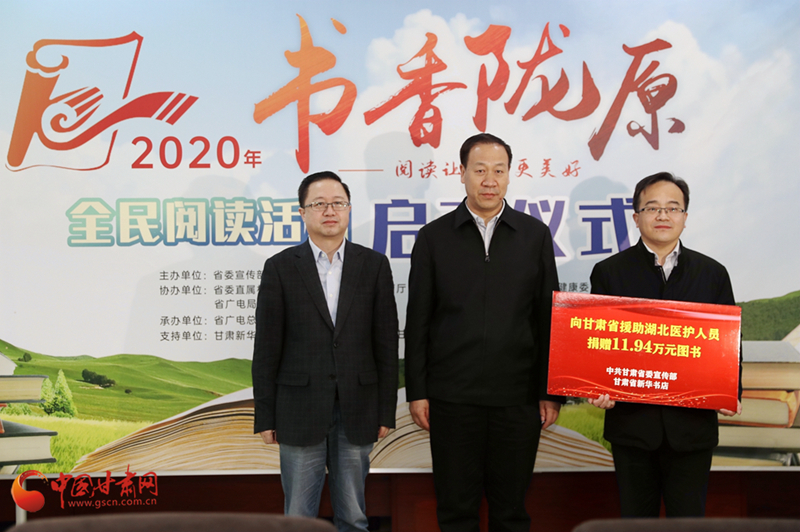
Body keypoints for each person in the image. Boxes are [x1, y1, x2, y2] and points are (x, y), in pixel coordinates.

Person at [405, 133, 563, 532]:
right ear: (461, 174)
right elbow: (419, 320)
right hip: (452, 398)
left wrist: (550, 391)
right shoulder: (434, 237)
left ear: (509, 175)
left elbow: (548, 318)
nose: (489, 180)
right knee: (456, 510)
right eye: (479, 170)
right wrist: (418, 391)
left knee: (511, 511)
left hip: (517, 398)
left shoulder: (534, 235)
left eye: (498, 170)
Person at [588, 171, 742, 518]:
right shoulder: (609, 272)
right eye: (652, 208)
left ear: (685, 217)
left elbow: (730, 342)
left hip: (692, 429)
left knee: (688, 521)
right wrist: (597, 385)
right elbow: (599, 344)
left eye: (673, 208)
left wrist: (731, 390)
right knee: (635, 520)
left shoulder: (712, 273)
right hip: (632, 428)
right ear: (636, 217)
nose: (663, 215)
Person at [252, 171, 399, 532]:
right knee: (298, 517)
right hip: (298, 409)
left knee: (354, 515)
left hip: (358, 407)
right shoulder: (280, 268)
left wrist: (385, 410)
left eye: (338, 203)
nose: (329, 211)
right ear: (302, 212)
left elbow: (385, 344)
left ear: (349, 209)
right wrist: (266, 416)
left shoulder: (374, 265)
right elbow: (267, 348)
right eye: (319, 204)